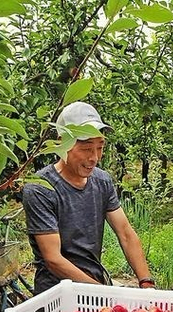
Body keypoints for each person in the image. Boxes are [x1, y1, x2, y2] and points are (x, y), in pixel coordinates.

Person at [22, 101, 155, 294]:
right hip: (57, 293)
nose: (94, 157)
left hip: (95, 282)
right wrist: (103, 293)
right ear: (61, 143)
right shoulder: (40, 188)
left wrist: (146, 282)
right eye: (86, 149)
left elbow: (125, 233)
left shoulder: (102, 181)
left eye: (100, 147)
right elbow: (53, 259)